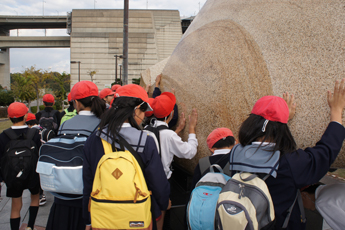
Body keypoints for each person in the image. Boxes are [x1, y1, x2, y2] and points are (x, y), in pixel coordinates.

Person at [228, 80, 345, 230]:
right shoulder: (289, 164)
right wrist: (336, 111)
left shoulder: (235, 153)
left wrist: (280, 119)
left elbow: (264, 143)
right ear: (281, 130)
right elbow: (325, 152)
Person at [82, 84, 170, 230]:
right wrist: (164, 202)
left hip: (103, 218)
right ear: (136, 110)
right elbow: (157, 182)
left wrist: (88, 220)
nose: (143, 117)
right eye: (143, 111)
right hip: (137, 216)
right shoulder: (145, 141)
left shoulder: (94, 139)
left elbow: (88, 183)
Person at [46, 81, 106, 230]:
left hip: (63, 194)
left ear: (76, 103)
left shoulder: (65, 124)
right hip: (91, 194)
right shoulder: (103, 124)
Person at [0, 102, 41, 230]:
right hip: (32, 173)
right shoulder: (33, 134)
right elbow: (39, 153)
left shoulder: (4, 135)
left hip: (13, 175)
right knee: (35, 198)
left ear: (9, 116)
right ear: (25, 116)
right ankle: (30, 226)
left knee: (15, 205)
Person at [150, 92, 198, 179]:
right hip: (161, 181)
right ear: (172, 114)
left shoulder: (146, 129)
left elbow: (160, 140)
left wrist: (178, 129)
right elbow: (190, 152)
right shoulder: (169, 135)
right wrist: (191, 128)